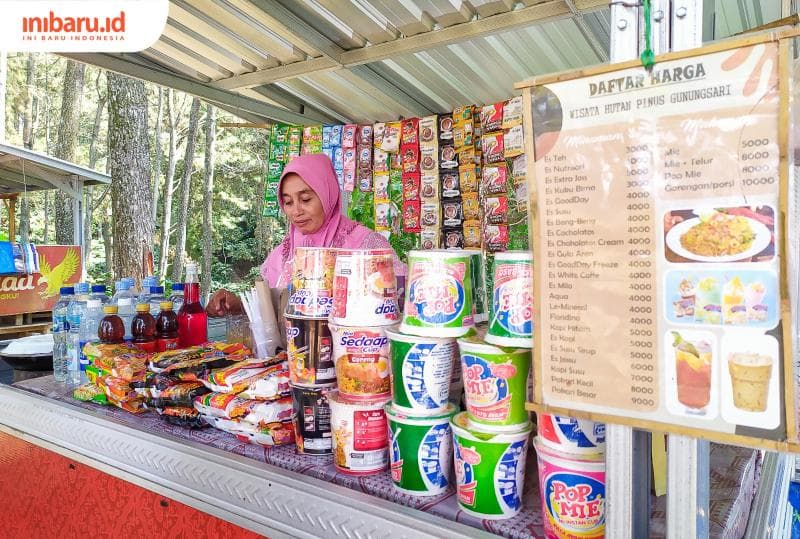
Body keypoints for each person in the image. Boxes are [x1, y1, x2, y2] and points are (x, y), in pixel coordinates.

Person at [207, 154, 406, 317]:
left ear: (327, 194)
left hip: (355, 357)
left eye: (305, 199)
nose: (296, 211)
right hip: (293, 362)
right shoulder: (284, 254)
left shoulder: (366, 246)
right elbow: (270, 309)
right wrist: (238, 304)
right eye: (288, 202)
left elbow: (400, 301)